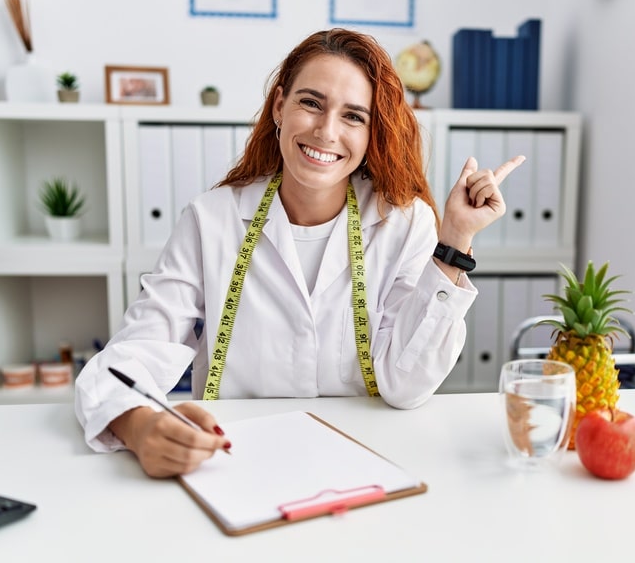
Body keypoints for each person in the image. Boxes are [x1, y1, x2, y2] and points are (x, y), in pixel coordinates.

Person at [74, 28, 524, 478]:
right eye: (311, 103)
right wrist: (139, 427)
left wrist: (455, 241)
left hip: (366, 462)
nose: (326, 132)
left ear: (372, 134)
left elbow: (405, 386)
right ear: (279, 107)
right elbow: (130, 357)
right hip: (236, 463)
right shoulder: (210, 220)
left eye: (353, 116)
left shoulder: (405, 224)